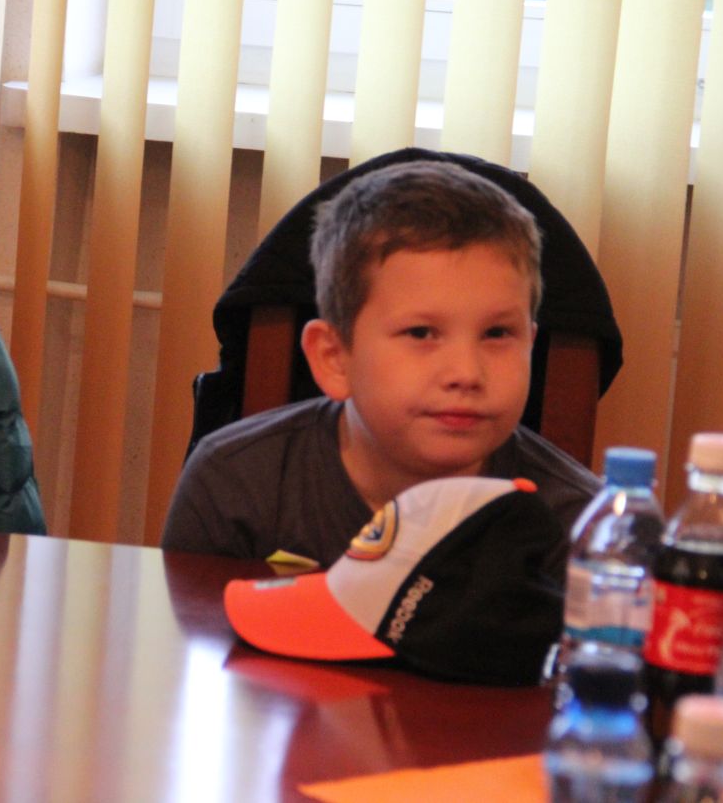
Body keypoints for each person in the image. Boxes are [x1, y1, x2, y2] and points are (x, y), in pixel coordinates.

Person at [162, 159, 596, 580]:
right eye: (421, 333)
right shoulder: (233, 485)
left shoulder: (580, 528)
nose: (466, 373)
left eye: (497, 333)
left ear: (530, 345)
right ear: (334, 358)